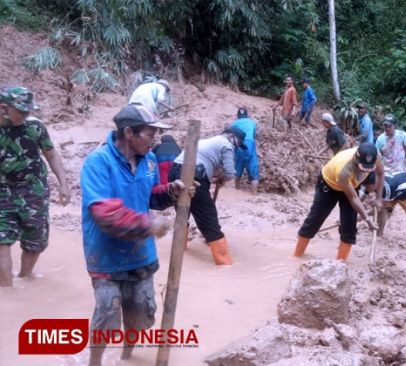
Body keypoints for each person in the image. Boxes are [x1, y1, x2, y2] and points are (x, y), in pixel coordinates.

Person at [80, 104, 192, 365]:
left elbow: (150, 197)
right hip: (106, 256)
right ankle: (94, 362)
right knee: (107, 316)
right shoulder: (98, 162)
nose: (155, 140)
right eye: (150, 134)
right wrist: (147, 225)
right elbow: (104, 213)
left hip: (141, 255)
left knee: (140, 316)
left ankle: (126, 357)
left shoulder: (150, 160)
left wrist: (170, 193)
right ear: (128, 133)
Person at [0, 86, 70, 287]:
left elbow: (51, 155)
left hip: (33, 190)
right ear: (4, 108)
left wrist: (63, 184)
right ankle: (8, 293)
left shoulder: (35, 127)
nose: (26, 114)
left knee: (35, 241)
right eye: (21, 111)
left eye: (28, 110)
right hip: (2, 192)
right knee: (2, 242)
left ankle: (24, 277)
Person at [169, 126, 247, 265]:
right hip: (195, 175)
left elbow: (209, 163)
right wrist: (223, 178)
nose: (237, 147)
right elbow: (230, 173)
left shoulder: (208, 142)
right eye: (238, 143)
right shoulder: (227, 145)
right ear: (231, 137)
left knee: (182, 213)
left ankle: (180, 250)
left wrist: (217, 174)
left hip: (175, 171)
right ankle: (225, 263)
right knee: (209, 219)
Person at [294, 143, 384, 261]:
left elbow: (381, 173)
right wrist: (367, 219)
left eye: (369, 169)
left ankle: (341, 262)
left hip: (351, 185)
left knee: (349, 226)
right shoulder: (344, 170)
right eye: (362, 168)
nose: (365, 171)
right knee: (315, 220)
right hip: (329, 187)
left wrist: (379, 198)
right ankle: (297, 256)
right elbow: (353, 199)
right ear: (356, 160)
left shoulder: (376, 156)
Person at [361, 172, 406, 244]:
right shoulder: (371, 182)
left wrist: (363, 215)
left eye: (366, 186)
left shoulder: (387, 188)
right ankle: (379, 235)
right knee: (382, 211)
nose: (365, 188)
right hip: (396, 189)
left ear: (375, 184)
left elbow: (382, 206)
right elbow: (360, 198)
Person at [231, 108, 259, 194]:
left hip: (240, 144)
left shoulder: (234, 123)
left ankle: (237, 190)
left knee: (238, 168)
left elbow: (232, 137)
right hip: (250, 144)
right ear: (247, 115)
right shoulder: (252, 122)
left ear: (238, 116)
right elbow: (253, 135)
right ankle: (254, 193)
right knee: (253, 167)